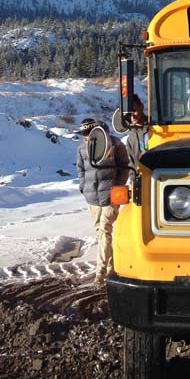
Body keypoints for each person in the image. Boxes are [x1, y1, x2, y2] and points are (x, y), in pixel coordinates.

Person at [76, 117, 130, 284]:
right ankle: (113, 266)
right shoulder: (82, 148)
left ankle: (100, 272)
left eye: (87, 134)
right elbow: (81, 169)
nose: (85, 137)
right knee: (101, 233)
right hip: (92, 197)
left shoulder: (114, 144)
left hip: (110, 196)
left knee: (105, 230)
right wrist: (83, 187)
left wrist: (117, 187)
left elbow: (124, 166)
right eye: (83, 135)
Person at [125, 94, 148, 168]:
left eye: (134, 111)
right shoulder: (131, 139)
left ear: (141, 106)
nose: (132, 117)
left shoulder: (156, 128)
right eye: (129, 114)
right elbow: (132, 165)